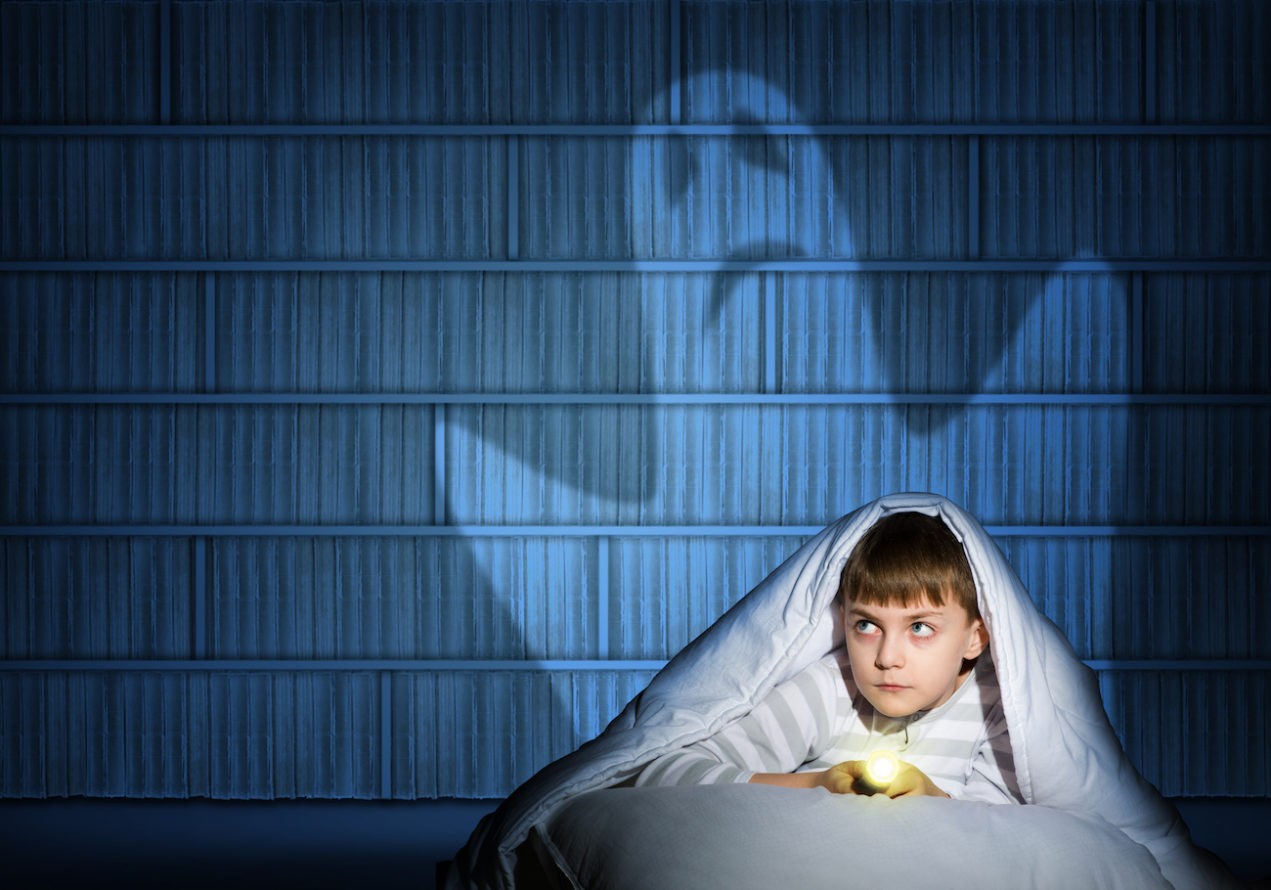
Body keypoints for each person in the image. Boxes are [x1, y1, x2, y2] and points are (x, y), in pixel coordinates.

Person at [635, 510, 1022, 803]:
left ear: (976, 639)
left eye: (920, 627)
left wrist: (933, 803)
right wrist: (815, 784)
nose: (887, 658)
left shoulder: (1000, 713)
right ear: (843, 621)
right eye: (867, 625)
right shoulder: (832, 689)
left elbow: (1007, 837)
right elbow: (663, 773)